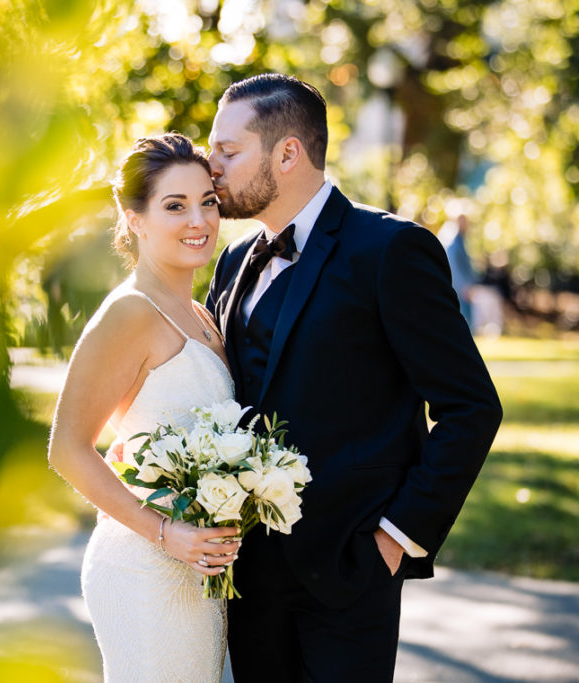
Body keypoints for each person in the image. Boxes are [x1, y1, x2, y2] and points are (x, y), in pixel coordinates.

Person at [204, 74, 502, 682]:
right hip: (247, 578)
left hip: (348, 573)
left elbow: (470, 407)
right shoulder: (234, 259)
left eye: (227, 151)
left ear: (287, 153)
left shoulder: (391, 250)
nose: (211, 166)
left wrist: (394, 539)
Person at [48, 134, 240, 682]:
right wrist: (165, 533)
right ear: (134, 219)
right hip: (145, 567)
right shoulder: (130, 312)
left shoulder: (200, 314)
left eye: (208, 201)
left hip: (196, 567)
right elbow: (66, 449)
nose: (198, 219)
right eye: (174, 206)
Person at [439, 213, 479, 330]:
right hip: (460, 289)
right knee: (463, 321)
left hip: (465, 287)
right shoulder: (453, 242)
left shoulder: (461, 240)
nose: (466, 224)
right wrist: (464, 286)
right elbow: (454, 267)